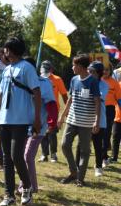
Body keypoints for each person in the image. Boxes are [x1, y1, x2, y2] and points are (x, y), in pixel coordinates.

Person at [0, 37, 41, 206]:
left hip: (21, 119)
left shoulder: (26, 68)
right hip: (4, 120)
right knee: (7, 159)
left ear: (13, 50)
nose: (3, 52)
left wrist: (37, 119)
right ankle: (9, 195)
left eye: (6, 49)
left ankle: (27, 186)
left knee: (17, 155)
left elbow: (36, 93)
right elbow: (0, 95)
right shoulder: (7, 70)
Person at [58, 54, 100, 187]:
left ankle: (80, 179)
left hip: (86, 122)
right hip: (72, 120)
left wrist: (96, 121)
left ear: (81, 67)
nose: (72, 67)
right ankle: (73, 172)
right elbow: (70, 99)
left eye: (74, 65)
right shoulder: (74, 79)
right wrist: (62, 116)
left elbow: (97, 102)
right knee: (65, 145)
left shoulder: (92, 81)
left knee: (85, 151)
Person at [18, 58, 57, 193]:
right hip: (20, 124)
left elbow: (52, 104)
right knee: (20, 156)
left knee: (28, 156)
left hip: (38, 126)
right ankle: (22, 185)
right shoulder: (19, 80)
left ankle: (32, 187)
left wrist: (52, 122)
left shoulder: (45, 83)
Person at [77, 61, 107, 177]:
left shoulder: (104, 85)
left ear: (99, 73)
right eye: (88, 70)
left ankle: (98, 167)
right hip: (85, 118)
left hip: (99, 120)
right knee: (81, 144)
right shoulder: (86, 82)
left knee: (97, 145)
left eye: (92, 71)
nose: (89, 72)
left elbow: (98, 98)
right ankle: (78, 165)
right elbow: (84, 97)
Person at [39, 60, 68, 162]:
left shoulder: (57, 79)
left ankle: (53, 154)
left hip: (53, 111)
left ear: (51, 69)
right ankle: (44, 154)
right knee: (42, 132)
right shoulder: (39, 78)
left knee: (52, 132)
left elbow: (64, 95)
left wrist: (67, 110)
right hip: (42, 110)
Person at [101, 64, 121, 167]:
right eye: (103, 70)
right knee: (96, 134)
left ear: (110, 71)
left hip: (109, 110)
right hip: (97, 109)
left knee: (106, 134)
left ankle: (104, 157)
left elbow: (119, 99)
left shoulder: (115, 83)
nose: (105, 72)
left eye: (107, 70)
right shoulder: (97, 81)